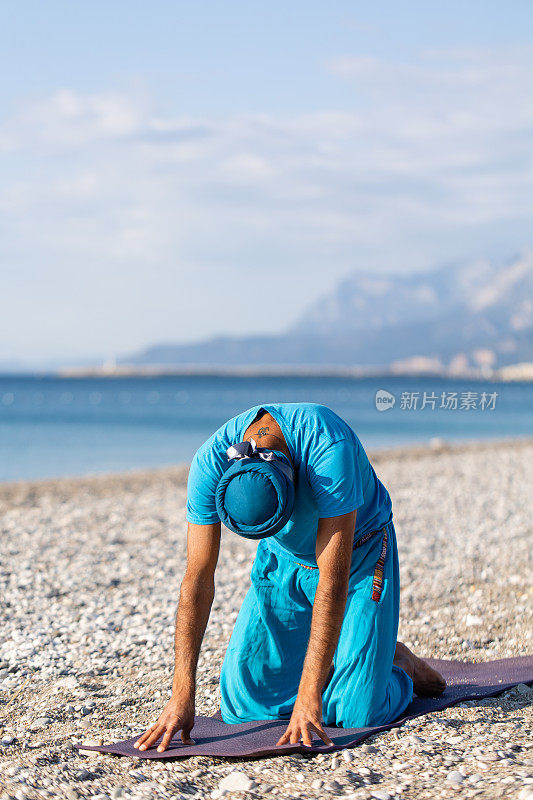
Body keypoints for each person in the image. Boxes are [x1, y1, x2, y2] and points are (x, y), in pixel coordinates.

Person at [134, 403, 445, 752]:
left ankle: (401, 664)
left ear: (293, 476)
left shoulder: (328, 448)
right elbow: (197, 579)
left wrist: (309, 694)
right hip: (281, 558)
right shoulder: (209, 462)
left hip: (359, 553)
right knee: (244, 707)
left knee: (355, 712)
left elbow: (334, 580)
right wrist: (181, 694)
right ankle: (344, 661)